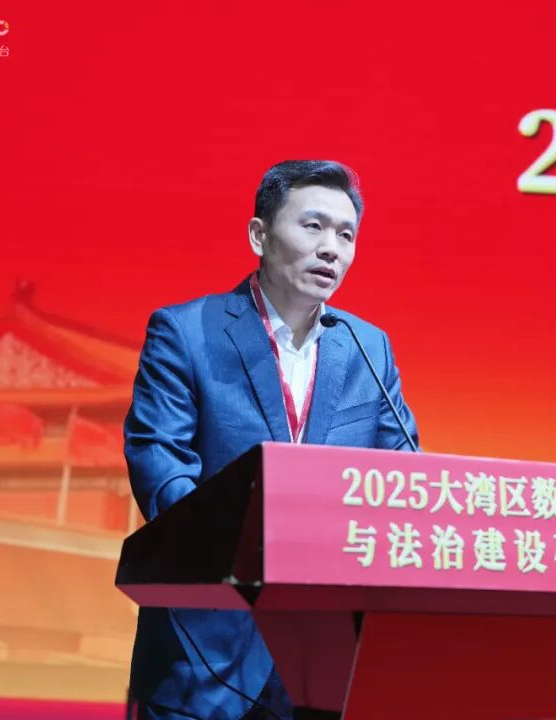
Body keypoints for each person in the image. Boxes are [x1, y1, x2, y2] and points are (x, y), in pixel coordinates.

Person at [124, 160, 420, 720]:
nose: (331, 248)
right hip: (206, 648)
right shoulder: (186, 331)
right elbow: (160, 464)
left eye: (346, 235)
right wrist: (250, 553)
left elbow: (402, 477)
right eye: (313, 226)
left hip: (326, 654)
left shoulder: (368, 347)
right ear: (259, 235)